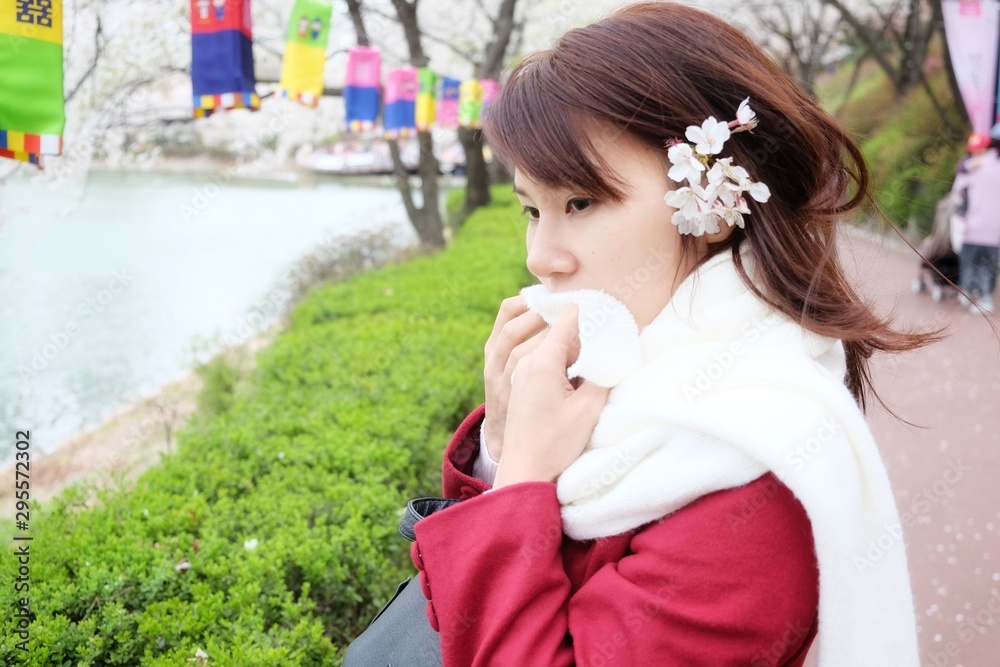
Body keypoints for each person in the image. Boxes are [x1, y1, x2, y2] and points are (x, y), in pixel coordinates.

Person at [358, 3, 937, 665]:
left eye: (580, 202)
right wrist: (501, 444)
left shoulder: (757, 477)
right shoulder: (630, 368)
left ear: (713, 210)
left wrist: (520, 480)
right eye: (531, 209)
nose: (541, 258)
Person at [950, 132, 1000, 313]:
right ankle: (984, 298)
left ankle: (967, 293)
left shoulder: (971, 166)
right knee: (989, 265)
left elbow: (957, 193)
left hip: (972, 226)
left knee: (969, 262)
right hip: (994, 229)